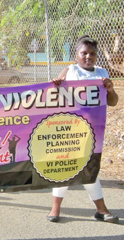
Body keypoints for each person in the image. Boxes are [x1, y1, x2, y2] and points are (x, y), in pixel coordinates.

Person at [47, 35, 119, 223]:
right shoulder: (70, 71)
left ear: (97, 57)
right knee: (65, 168)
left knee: (90, 168)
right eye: (84, 53)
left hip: (93, 132)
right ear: (76, 55)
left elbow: (113, 102)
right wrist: (55, 85)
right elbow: (52, 97)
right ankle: (55, 208)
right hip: (69, 131)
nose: (88, 56)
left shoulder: (102, 73)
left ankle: (101, 210)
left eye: (92, 54)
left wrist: (110, 90)